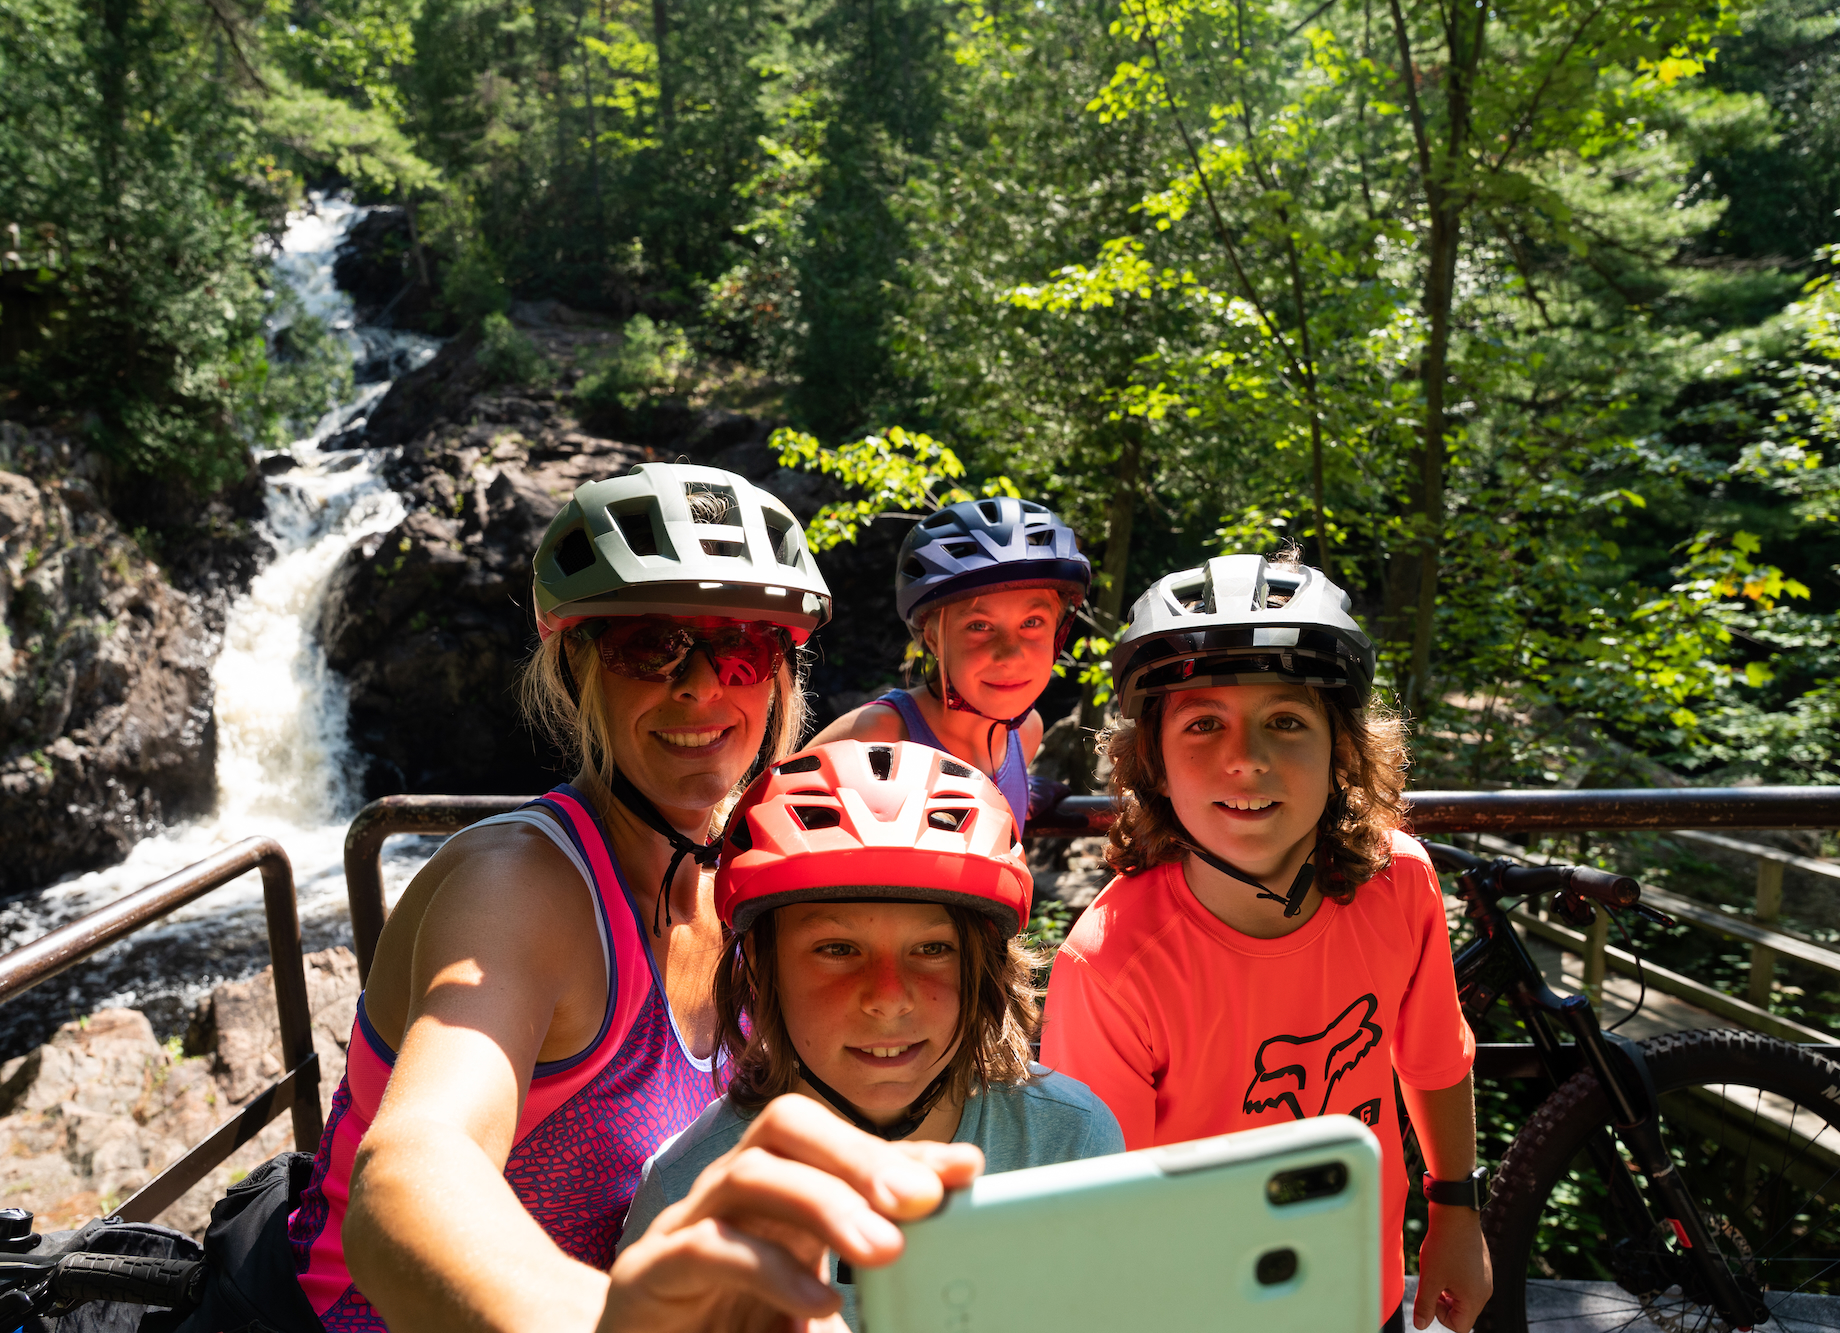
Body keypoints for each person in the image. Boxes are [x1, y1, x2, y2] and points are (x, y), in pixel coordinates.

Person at [286, 461, 836, 1332]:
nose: (699, 685)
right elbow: (416, 1166)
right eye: (648, 645)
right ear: (577, 661)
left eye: (740, 644)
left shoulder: (750, 878)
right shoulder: (520, 886)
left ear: (776, 671)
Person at [1038, 552, 1493, 1333]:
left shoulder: (1399, 882)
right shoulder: (1111, 964)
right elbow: (1104, 1217)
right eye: (1203, 722)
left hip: (1362, 1293)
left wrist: (1456, 1208)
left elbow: (1433, 1058)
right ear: (1153, 761)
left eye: (1286, 720)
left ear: (1341, 749)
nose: (1245, 757)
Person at [616, 738, 1125, 1330]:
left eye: (933, 949)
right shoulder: (692, 1198)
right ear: (760, 963)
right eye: (837, 949)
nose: (888, 997)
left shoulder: (1070, 1145)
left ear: (982, 967)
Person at [810, 498, 1091, 828]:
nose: (1011, 654)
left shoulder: (1026, 732)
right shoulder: (876, 738)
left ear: (1058, 629)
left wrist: (1019, 794)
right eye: (979, 626)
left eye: (1032, 622)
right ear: (931, 637)